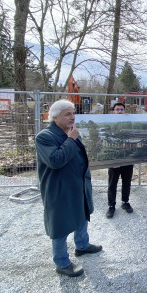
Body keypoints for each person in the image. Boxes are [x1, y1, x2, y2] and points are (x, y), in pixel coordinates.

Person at [35, 99, 102, 277]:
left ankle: (82, 245)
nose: (72, 117)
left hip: (77, 184)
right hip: (59, 189)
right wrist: (71, 140)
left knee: (82, 215)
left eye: (73, 113)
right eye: (68, 114)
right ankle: (62, 263)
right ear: (55, 117)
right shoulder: (45, 137)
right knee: (60, 224)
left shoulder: (72, 132)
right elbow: (55, 161)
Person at [106, 102, 134, 218]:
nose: (119, 111)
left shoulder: (128, 122)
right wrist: (114, 159)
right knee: (112, 183)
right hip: (114, 159)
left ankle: (125, 202)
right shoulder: (109, 123)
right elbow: (107, 141)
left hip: (127, 158)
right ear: (113, 111)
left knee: (126, 182)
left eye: (121, 109)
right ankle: (111, 206)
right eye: (117, 109)